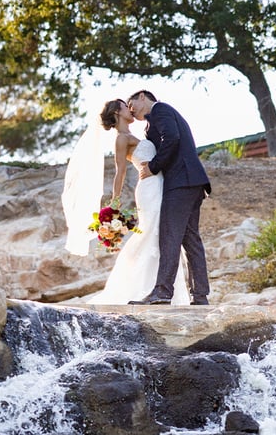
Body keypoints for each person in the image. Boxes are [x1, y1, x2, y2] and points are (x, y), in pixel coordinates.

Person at [62, 99, 189, 305]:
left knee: (161, 235)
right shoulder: (121, 139)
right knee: (152, 233)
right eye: (125, 106)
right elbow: (120, 172)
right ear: (117, 113)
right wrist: (115, 200)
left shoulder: (135, 135)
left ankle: (161, 289)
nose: (130, 109)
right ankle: (139, 287)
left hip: (159, 186)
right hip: (149, 189)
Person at [125, 90, 211, 305]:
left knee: (170, 236)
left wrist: (153, 167)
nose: (131, 109)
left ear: (143, 96)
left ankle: (163, 292)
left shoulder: (160, 110)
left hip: (181, 182)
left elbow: (171, 138)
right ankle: (200, 296)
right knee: (191, 240)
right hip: (192, 181)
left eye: (131, 103)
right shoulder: (154, 120)